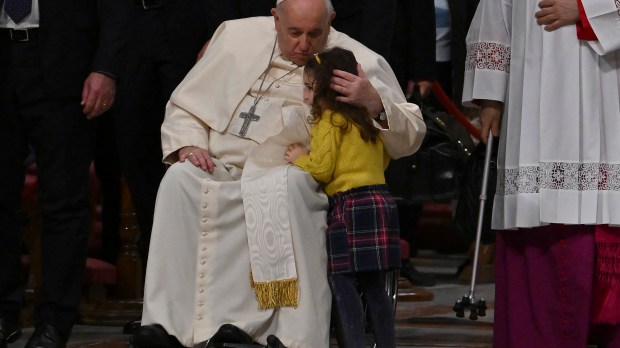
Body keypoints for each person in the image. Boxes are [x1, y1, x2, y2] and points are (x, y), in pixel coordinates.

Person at [131, 0, 426, 347]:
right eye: (294, 33)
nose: (304, 45)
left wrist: (373, 100)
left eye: (315, 33)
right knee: (179, 180)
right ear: (275, 18)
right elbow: (186, 106)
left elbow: (411, 134)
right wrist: (189, 145)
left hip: (288, 169)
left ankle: (281, 334)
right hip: (222, 165)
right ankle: (166, 324)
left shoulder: (357, 60)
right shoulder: (234, 37)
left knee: (288, 186)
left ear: (331, 21)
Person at [463, 0, 620, 346]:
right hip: (528, 103)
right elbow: (494, 13)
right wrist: (490, 96)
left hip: (603, 88)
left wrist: (586, 10)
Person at [0, 0, 128, 347]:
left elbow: (115, 8)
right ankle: (3, 314)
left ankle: (54, 322)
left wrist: (107, 68)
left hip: (66, 65)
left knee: (64, 201)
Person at [284, 47, 400, 348]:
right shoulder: (364, 118)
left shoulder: (330, 121)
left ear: (327, 89)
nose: (307, 96)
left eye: (311, 87)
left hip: (349, 205)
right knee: (375, 285)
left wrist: (299, 158)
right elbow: (385, 159)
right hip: (380, 200)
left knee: (342, 281)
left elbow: (322, 169)